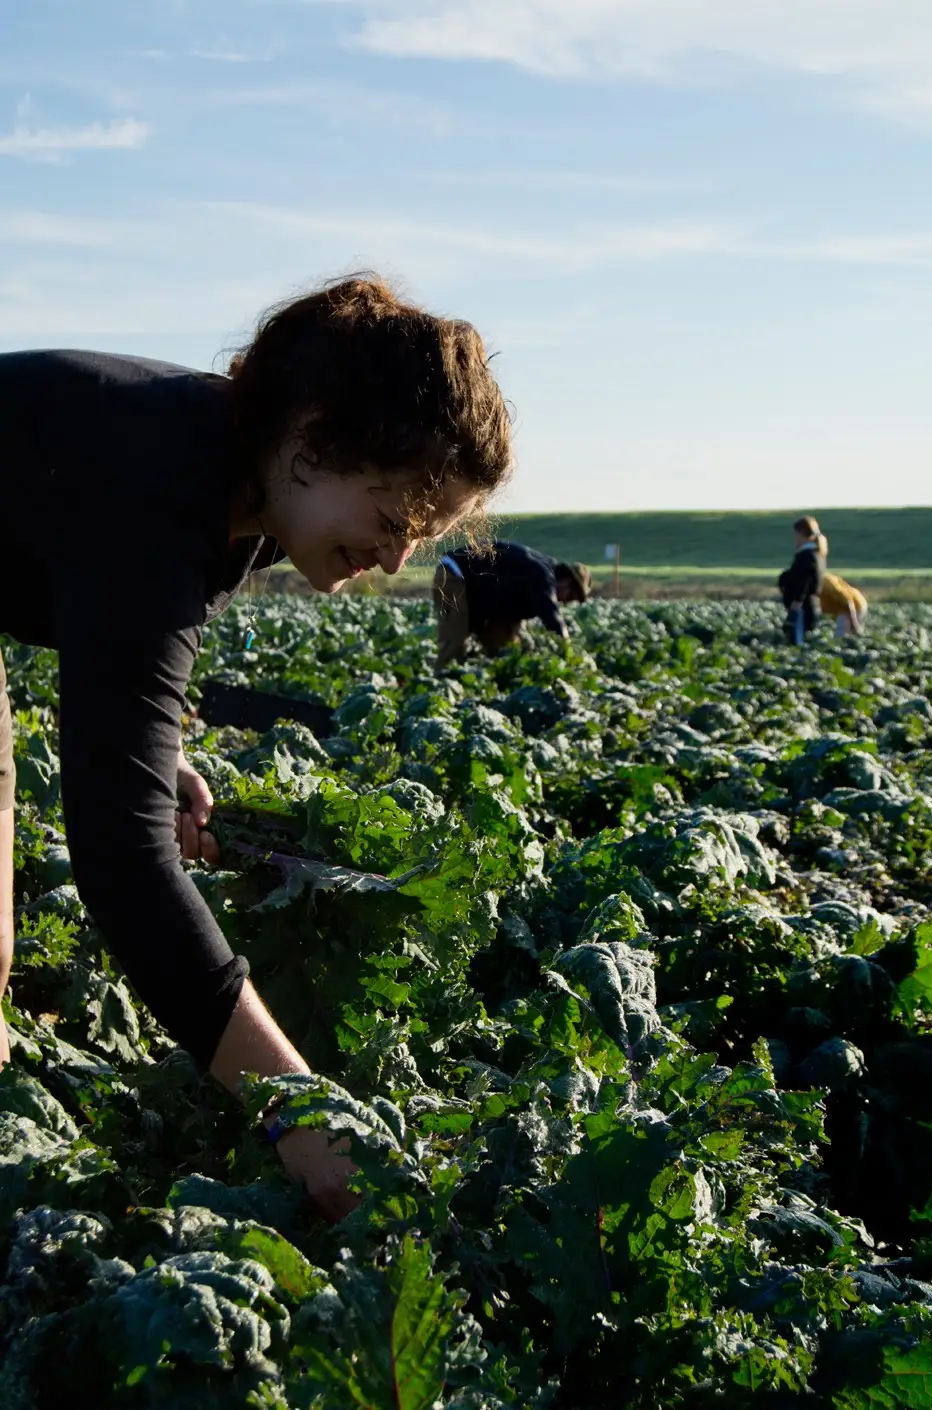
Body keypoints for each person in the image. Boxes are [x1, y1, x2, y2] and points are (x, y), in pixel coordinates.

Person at [0, 273, 513, 1219]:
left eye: (425, 535)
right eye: (396, 516)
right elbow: (124, 867)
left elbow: (116, 636)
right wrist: (304, 1123)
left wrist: (158, 760)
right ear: (316, 437)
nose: (399, 559)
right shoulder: (158, 484)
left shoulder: (245, 488)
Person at [433, 540, 590, 670]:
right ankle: (441, 690)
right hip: (454, 575)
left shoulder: (535, 580)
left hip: (478, 594)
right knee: (454, 644)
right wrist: (566, 649)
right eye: (569, 596)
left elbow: (512, 614)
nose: (564, 601)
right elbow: (551, 614)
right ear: (566, 582)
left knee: (506, 647)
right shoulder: (542, 575)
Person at [778, 514, 828, 646]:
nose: (794, 539)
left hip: (802, 609)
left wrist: (795, 606)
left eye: (795, 534)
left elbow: (803, 583)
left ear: (801, 534)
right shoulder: (817, 554)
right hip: (810, 606)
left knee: (797, 645)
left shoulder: (806, 557)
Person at [820, 572, 868, 638]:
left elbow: (847, 601)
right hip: (840, 609)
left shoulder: (827, 583)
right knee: (845, 634)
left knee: (842, 634)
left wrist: (854, 623)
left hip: (855, 605)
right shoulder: (807, 581)